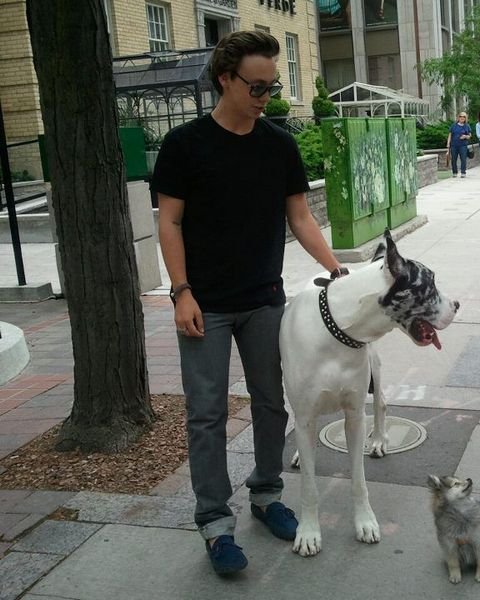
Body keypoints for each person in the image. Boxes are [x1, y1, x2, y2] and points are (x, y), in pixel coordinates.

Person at [152, 31, 346, 576]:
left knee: (271, 403)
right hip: (204, 304)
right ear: (225, 80)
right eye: (256, 87)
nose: (265, 97)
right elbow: (169, 222)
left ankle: (266, 494)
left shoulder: (278, 145)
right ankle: (215, 523)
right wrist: (181, 291)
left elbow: (300, 217)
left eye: (272, 86)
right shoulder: (184, 145)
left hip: (264, 300)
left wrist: (336, 271)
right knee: (207, 414)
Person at [446, 111, 471, 178]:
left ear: (465, 118)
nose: (462, 118)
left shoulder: (467, 126)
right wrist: (448, 144)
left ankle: (463, 172)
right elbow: (450, 135)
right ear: (458, 117)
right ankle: (454, 172)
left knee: (463, 159)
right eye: (460, 116)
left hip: (463, 145)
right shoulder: (454, 125)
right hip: (454, 145)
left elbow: (469, 136)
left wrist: (465, 136)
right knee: (453, 159)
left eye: (464, 117)